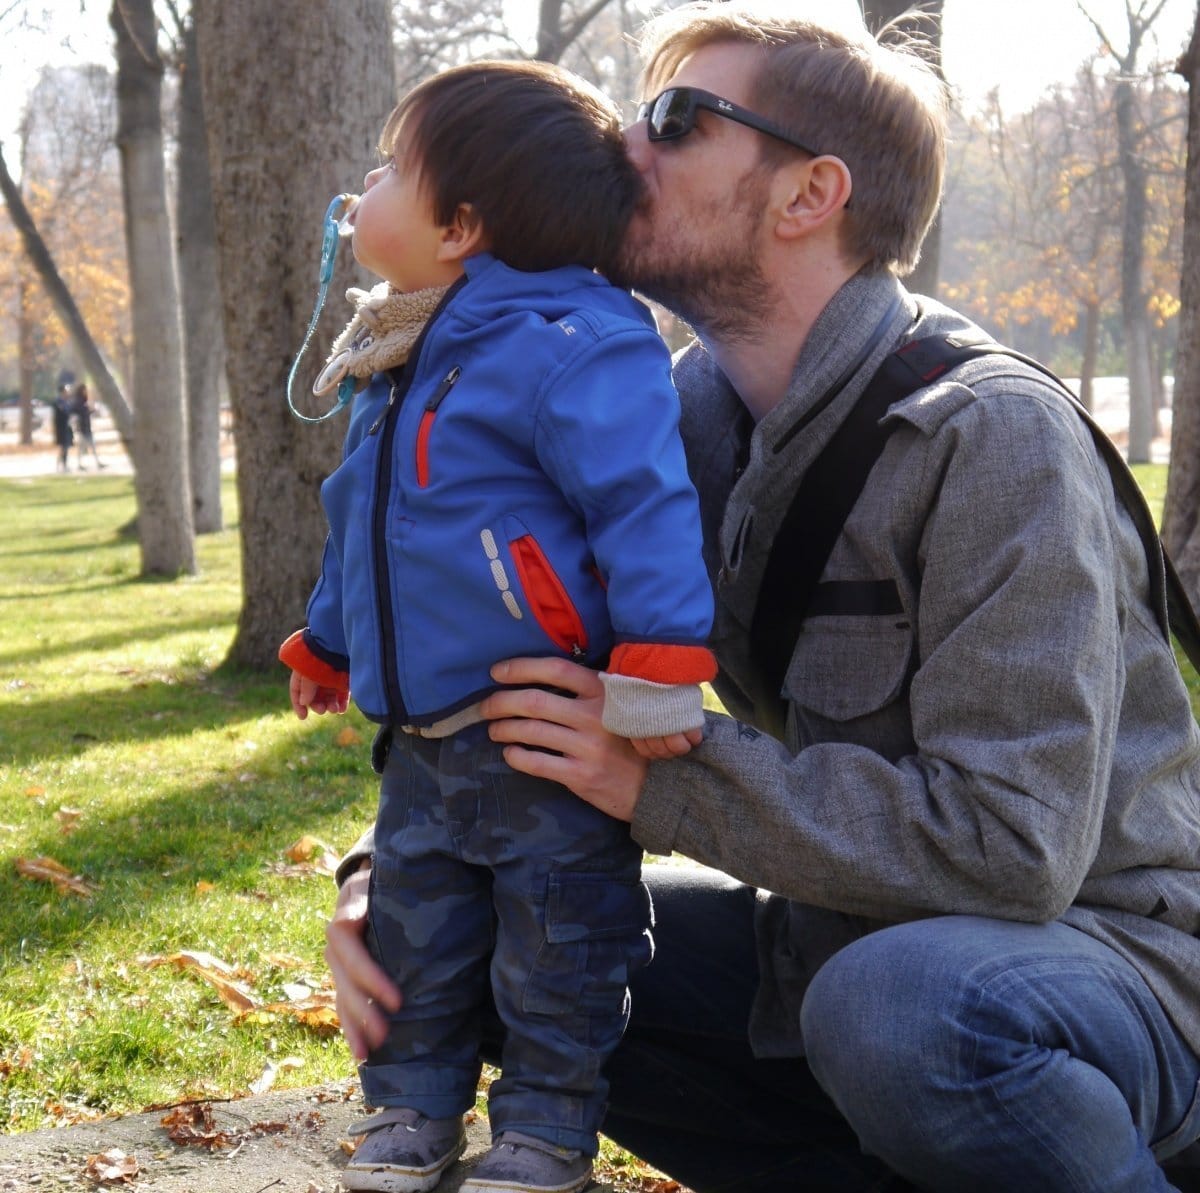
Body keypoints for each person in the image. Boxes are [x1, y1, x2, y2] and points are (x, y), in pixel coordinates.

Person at [324, 5, 1200, 1192]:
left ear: (809, 195)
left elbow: (1015, 848)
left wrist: (659, 774)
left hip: (1106, 965)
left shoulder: (990, 438)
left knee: (900, 1013)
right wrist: (389, 869)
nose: (625, 146)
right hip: (837, 939)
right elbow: (513, 653)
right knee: (469, 945)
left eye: (676, 121)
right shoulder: (666, 417)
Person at [280, 60, 715, 1193]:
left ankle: (546, 1126)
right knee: (415, 936)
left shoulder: (572, 336)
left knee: (560, 937)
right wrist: (329, 639)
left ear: (461, 223)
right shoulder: (399, 349)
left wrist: (661, 660)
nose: (360, 188)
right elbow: (367, 524)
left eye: (386, 169)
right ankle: (410, 1113)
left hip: (541, 723)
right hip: (422, 738)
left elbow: (641, 497)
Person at [70, 382, 104, 470]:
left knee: (91, 446)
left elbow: (86, 413)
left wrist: (91, 410)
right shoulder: (78, 402)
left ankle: (96, 462)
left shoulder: (84, 401)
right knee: (82, 448)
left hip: (87, 427)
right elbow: (77, 414)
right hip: (82, 428)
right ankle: (80, 464)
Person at [51, 385, 74, 472]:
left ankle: (63, 465)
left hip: (67, 427)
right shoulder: (58, 402)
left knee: (65, 447)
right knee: (63, 447)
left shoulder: (66, 402)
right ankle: (60, 465)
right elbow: (62, 413)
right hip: (61, 428)